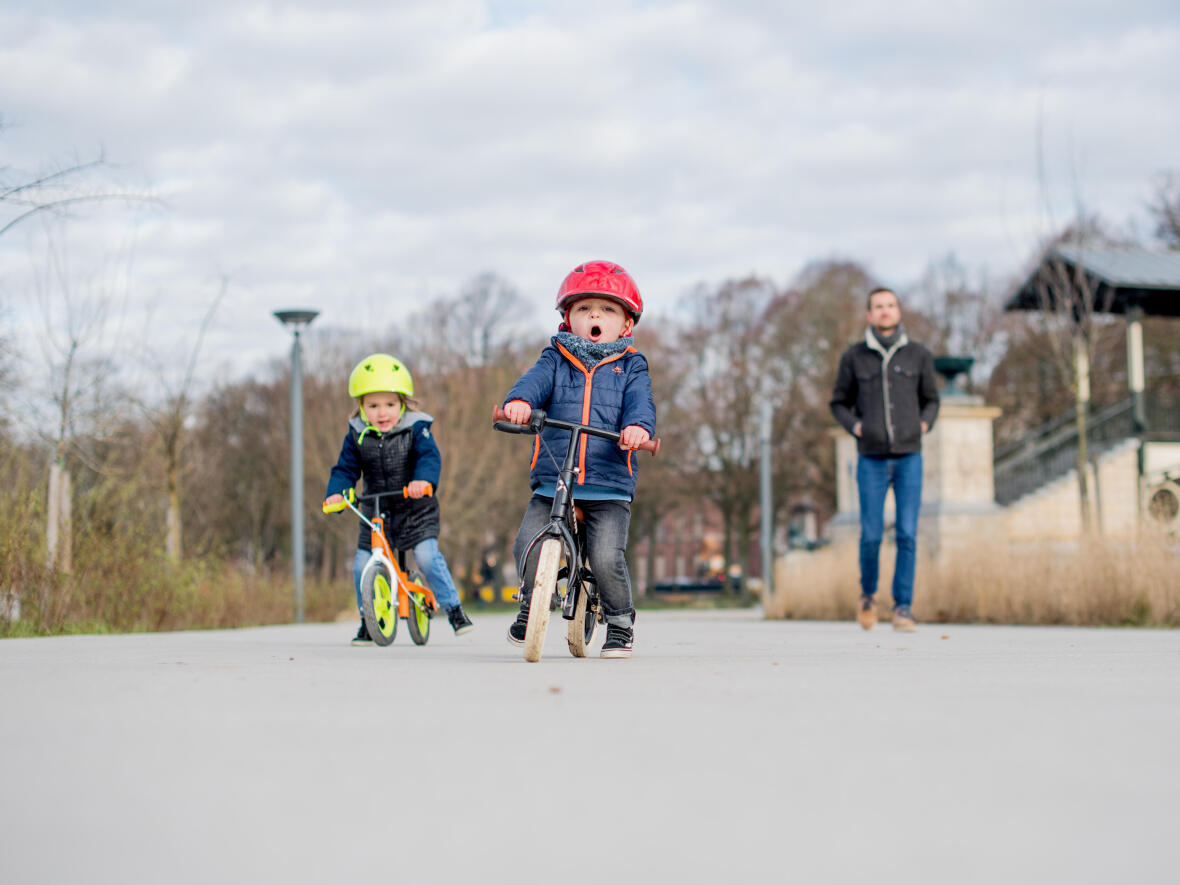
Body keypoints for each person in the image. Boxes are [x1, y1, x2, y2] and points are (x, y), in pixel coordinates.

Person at [500, 260, 656, 658]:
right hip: (555, 478)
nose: (595, 316)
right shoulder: (555, 356)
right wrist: (519, 402)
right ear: (568, 318)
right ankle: (531, 603)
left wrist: (638, 427)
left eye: (607, 309)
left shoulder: (631, 365)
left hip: (608, 482)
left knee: (606, 556)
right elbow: (533, 382)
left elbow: (641, 402)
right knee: (526, 544)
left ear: (626, 324)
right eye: (585, 308)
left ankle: (620, 623)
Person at [323, 353, 474, 644]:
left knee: (427, 558)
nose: (382, 413)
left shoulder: (417, 430)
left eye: (390, 404)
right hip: (376, 510)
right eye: (373, 405)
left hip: (415, 507)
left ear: (403, 402)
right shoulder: (356, 435)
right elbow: (345, 469)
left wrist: (423, 481)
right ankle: (368, 621)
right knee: (361, 565)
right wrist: (336, 493)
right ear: (361, 406)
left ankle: (454, 609)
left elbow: (429, 458)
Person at [830, 287, 939, 632]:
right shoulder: (854, 357)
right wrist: (857, 427)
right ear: (869, 315)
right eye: (878, 307)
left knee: (907, 533)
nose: (885, 311)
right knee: (872, 535)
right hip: (871, 459)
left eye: (890, 305)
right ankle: (867, 596)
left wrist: (923, 424)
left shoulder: (918, 355)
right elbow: (838, 402)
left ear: (899, 311)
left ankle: (903, 608)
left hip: (909, 457)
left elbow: (932, 399)